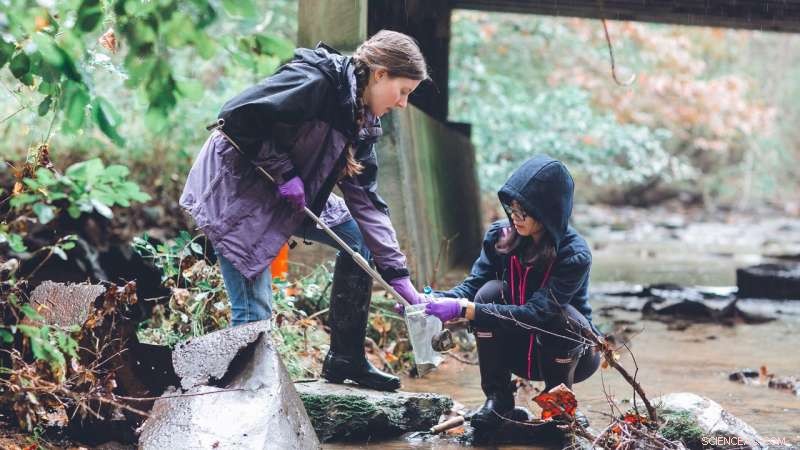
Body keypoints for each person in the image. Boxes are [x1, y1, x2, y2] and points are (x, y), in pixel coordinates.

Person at [179, 30, 430, 392]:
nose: (403, 103)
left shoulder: (362, 120)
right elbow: (235, 117)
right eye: (403, 91)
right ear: (379, 74)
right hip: (239, 190)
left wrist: (397, 273)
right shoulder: (314, 82)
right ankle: (249, 400)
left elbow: (366, 203)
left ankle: (346, 360)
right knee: (254, 314)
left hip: (295, 188)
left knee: (358, 241)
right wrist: (283, 172)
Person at [424, 155, 601, 429]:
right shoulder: (500, 237)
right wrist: (434, 300)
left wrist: (465, 310)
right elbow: (472, 286)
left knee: (560, 318)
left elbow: (536, 313)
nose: (515, 217)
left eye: (524, 212)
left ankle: (559, 406)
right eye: (512, 209)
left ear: (547, 213)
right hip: (517, 349)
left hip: (571, 354)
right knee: (487, 292)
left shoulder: (573, 254)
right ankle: (498, 400)